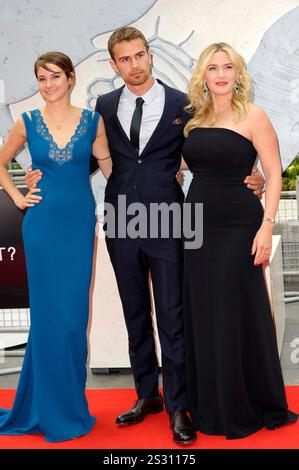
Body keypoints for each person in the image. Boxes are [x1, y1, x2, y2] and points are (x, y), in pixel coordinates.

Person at [25, 28, 264, 445]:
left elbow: (211, 146)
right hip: (121, 217)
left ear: (149, 56)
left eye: (139, 55)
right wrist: (49, 175)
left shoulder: (184, 104)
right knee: (135, 312)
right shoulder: (103, 106)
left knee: (172, 316)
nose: (133, 65)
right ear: (114, 64)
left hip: (171, 217)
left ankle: (178, 406)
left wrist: (251, 174)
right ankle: (145, 395)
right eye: (124, 59)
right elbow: (91, 159)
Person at [182, 42, 298, 439]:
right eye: (212, 67)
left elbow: (273, 171)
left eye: (227, 67)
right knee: (204, 310)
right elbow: (177, 165)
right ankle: (209, 404)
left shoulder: (254, 115)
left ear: (238, 74)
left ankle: (245, 401)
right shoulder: (193, 121)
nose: (220, 74)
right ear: (203, 75)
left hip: (239, 226)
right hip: (196, 225)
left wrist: (266, 225)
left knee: (236, 310)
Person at [0, 51, 110, 443]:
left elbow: (110, 166)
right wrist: (16, 196)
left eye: (54, 77)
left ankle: (67, 405)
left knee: (72, 317)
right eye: (41, 79)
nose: (48, 85)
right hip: (42, 228)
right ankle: (47, 408)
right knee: (48, 319)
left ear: (70, 77)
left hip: (80, 224)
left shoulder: (93, 122)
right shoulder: (26, 122)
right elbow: (1, 162)